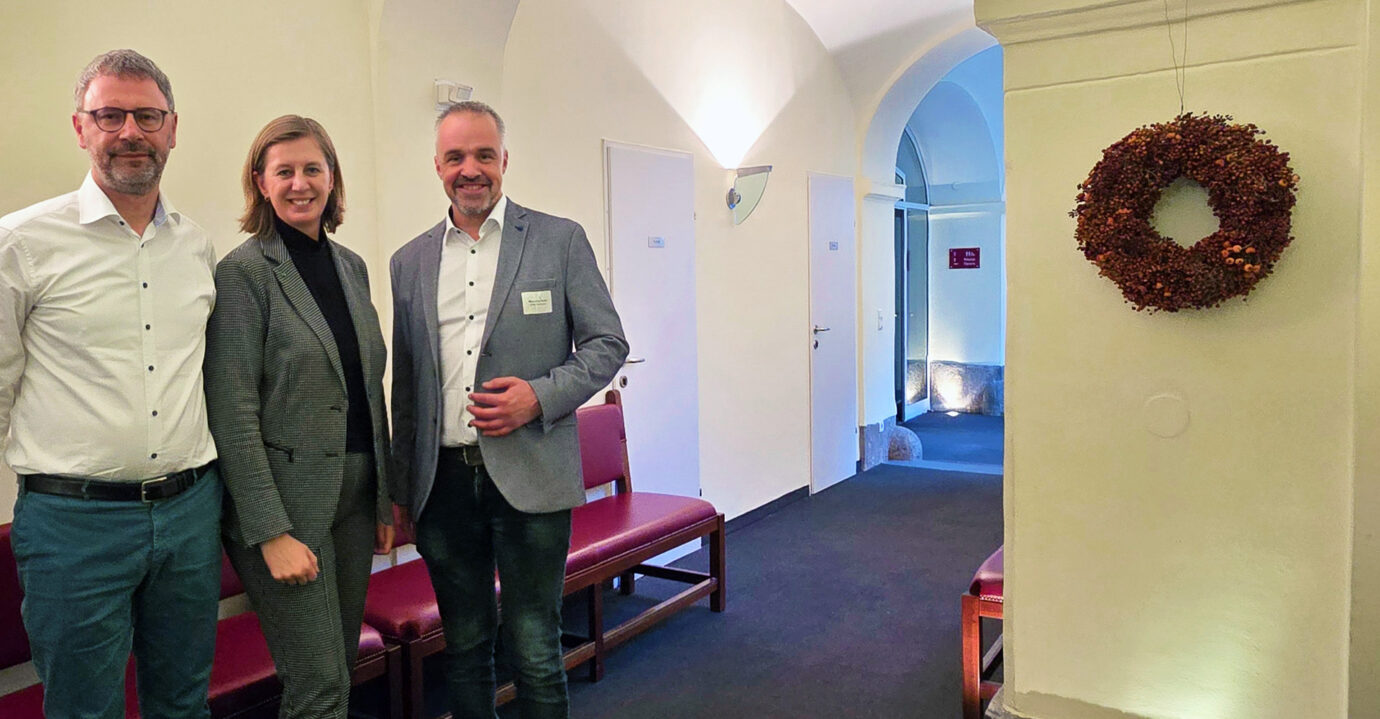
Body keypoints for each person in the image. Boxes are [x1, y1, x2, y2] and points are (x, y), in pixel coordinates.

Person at [0, 49, 221, 718]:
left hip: (190, 514)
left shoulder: (196, 246)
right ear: (80, 127)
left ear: (173, 128)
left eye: (147, 116)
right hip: (74, 525)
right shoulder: (21, 243)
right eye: (110, 115)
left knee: (184, 703)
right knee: (83, 709)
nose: (130, 131)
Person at [389, 101, 628, 718]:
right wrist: (399, 489)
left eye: (483, 155)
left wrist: (537, 397)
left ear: (504, 161)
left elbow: (607, 344)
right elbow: (409, 383)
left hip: (533, 477)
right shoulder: (409, 262)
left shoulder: (558, 240)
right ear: (437, 166)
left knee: (534, 647)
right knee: (464, 649)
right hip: (442, 486)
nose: (471, 170)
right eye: (455, 157)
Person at [205, 115, 394, 718]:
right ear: (260, 183)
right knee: (319, 685)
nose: (299, 183)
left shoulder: (352, 266)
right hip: (287, 510)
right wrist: (270, 533)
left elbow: (368, 387)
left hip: (355, 498)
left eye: (313, 169)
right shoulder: (244, 274)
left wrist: (383, 497)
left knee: (340, 668)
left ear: (333, 180)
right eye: (283, 171)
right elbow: (231, 412)